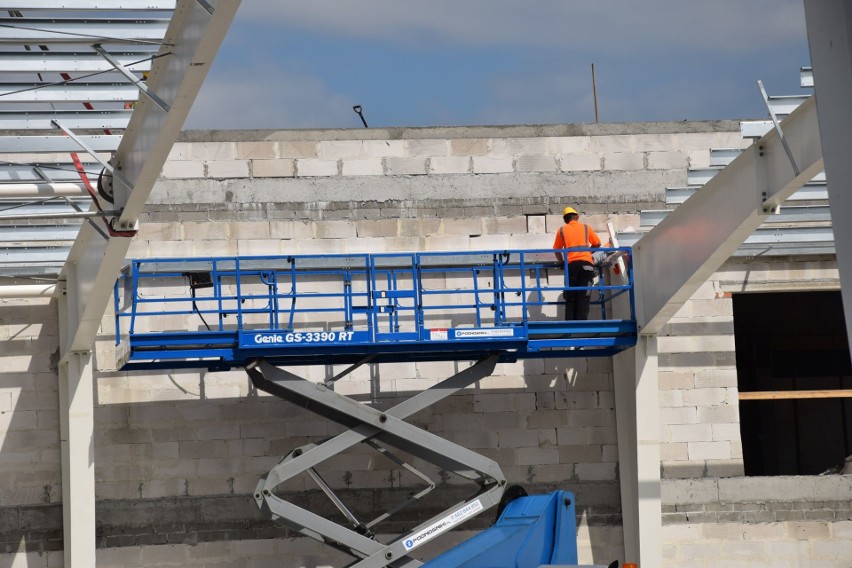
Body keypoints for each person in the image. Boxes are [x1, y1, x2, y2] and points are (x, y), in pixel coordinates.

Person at [553, 206, 601, 320]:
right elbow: (597, 243)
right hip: (586, 266)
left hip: (571, 266)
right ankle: (582, 326)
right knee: (583, 297)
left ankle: (570, 326)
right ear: (577, 217)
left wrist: (561, 263)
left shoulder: (561, 230)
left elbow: (556, 249)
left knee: (571, 297)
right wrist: (588, 253)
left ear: (565, 220)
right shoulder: (585, 227)